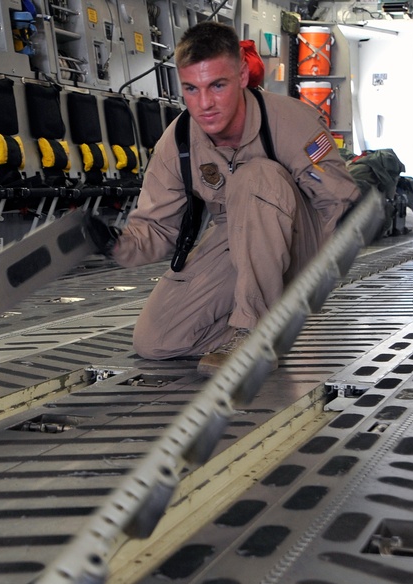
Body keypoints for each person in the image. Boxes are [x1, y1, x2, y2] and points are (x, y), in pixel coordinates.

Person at [93, 21, 360, 376]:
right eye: (191, 88)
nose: (204, 104)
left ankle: (255, 333)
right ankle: (252, 327)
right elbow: (157, 230)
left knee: (256, 177)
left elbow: (340, 208)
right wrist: (115, 244)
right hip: (237, 241)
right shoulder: (179, 142)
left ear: (242, 77)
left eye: (217, 86)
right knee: (156, 341)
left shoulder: (290, 121)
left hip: (303, 245)